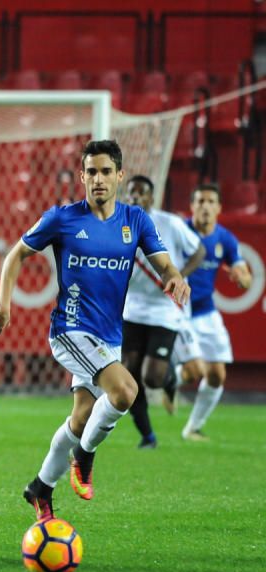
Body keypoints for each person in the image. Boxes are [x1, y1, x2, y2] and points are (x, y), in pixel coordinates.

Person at [0, 140, 189, 521]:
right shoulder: (63, 218)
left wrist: (175, 278)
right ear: (82, 177)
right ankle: (85, 457)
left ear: (119, 176)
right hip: (70, 331)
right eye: (91, 172)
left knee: (81, 418)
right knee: (126, 391)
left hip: (108, 337)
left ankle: (41, 488)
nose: (98, 179)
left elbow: (163, 264)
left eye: (106, 171)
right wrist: (3, 303)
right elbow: (16, 255)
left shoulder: (136, 221)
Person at [121, 175, 205, 449]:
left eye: (141, 193)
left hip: (164, 310)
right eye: (131, 193)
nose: (135, 197)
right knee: (128, 377)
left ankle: (169, 381)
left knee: (152, 377)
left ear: (151, 198)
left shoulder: (170, 224)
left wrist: (179, 276)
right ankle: (148, 435)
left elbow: (199, 251)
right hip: (131, 308)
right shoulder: (116, 225)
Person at [171, 184, 252, 441]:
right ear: (192, 206)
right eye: (200, 201)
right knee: (194, 371)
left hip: (206, 311)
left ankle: (192, 427)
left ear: (218, 208)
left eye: (210, 201)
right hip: (177, 310)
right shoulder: (179, 231)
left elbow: (245, 277)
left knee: (217, 374)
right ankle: (167, 381)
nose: (205, 206)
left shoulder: (225, 239)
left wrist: (243, 278)